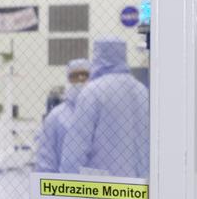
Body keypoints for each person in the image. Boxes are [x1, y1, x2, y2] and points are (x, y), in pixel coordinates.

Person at [60, 38, 149, 178]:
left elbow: (75, 149)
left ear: (97, 56)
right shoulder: (141, 91)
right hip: (139, 187)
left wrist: (65, 187)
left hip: (104, 190)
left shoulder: (92, 92)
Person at [34, 58, 90, 172]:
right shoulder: (55, 117)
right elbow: (46, 161)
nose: (80, 79)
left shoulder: (101, 113)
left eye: (85, 75)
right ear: (68, 79)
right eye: (75, 76)